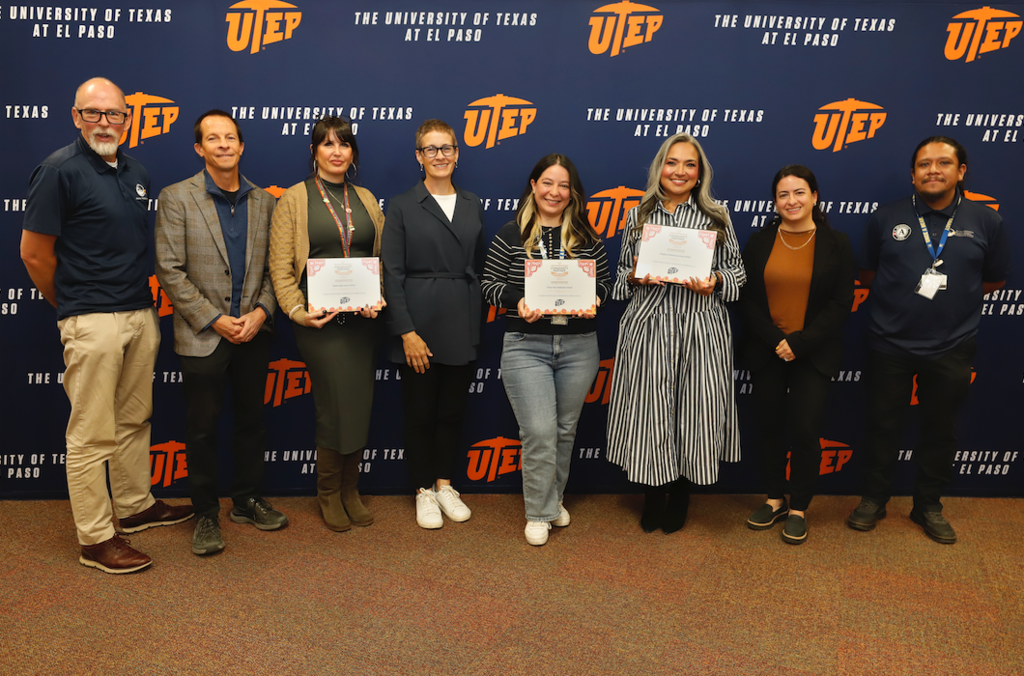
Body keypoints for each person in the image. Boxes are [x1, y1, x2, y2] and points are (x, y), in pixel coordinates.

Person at [20, 77, 193, 574]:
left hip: (140, 312)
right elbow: (34, 254)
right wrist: (75, 306)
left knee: (133, 421)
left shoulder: (136, 169)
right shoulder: (58, 171)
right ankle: (95, 538)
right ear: (76, 117)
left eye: (114, 114)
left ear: (126, 118)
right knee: (91, 434)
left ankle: (136, 506)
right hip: (91, 319)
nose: (104, 122)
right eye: (93, 113)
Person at [848, 136, 1010, 544]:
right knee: (882, 425)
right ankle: (873, 499)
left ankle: (928, 505)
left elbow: (994, 280)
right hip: (889, 344)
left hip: (952, 346)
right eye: (924, 164)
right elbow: (867, 275)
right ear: (913, 173)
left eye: (942, 163)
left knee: (941, 428)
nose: (932, 170)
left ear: (961, 171)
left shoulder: (986, 220)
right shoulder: (887, 218)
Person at [155, 110, 287, 556]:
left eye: (231, 137)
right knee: (202, 428)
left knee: (252, 421)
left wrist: (262, 311)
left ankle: (247, 499)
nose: (224, 145)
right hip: (203, 334)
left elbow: (278, 268)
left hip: (254, 331)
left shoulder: (266, 202)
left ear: (242, 145)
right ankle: (206, 512)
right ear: (199, 148)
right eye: (214, 139)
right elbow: (170, 270)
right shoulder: (177, 198)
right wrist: (213, 318)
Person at [606, 133, 746, 534]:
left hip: (701, 326)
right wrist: (633, 275)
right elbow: (619, 280)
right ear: (659, 168)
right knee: (651, 412)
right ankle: (653, 492)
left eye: (689, 164)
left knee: (694, 411)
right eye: (672, 163)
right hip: (649, 326)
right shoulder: (638, 214)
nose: (680, 171)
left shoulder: (717, 215)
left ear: (700, 172)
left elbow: (738, 274)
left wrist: (715, 280)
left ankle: (682, 492)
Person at [482, 154, 612, 545]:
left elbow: (605, 285)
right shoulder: (511, 234)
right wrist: (517, 301)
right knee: (538, 430)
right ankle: (539, 512)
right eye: (548, 183)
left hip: (578, 346)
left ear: (572, 193)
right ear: (534, 185)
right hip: (526, 345)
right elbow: (488, 285)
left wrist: (596, 300)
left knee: (564, 430)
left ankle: (552, 500)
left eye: (563, 185)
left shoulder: (587, 237)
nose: (555, 192)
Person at [269, 116, 385, 532]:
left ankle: (351, 490)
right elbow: (281, 269)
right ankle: (328, 492)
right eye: (327, 144)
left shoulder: (367, 198)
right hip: (319, 324)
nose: (337, 151)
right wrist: (298, 311)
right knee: (334, 405)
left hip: (363, 324)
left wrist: (377, 299)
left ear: (353, 153)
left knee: (360, 403)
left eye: (344, 144)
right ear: (314, 151)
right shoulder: (294, 200)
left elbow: (380, 260)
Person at [738, 165, 854, 545]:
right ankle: (774, 499)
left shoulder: (838, 243)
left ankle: (800, 506)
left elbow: (841, 303)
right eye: (784, 195)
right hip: (767, 350)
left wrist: (800, 342)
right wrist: (776, 340)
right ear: (775, 202)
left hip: (813, 352)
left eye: (799, 192)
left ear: (815, 197)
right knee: (769, 426)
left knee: (805, 429)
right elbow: (748, 300)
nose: (792, 201)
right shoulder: (758, 242)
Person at [381, 119, 485, 529]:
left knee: (452, 412)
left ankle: (445, 484)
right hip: (418, 322)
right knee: (420, 412)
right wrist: (406, 332)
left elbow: (476, 266)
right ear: (419, 157)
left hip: (461, 317)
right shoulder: (403, 204)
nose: (439, 156)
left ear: (457, 154)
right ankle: (423, 489)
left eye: (447, 148)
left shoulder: (473, 203)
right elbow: (391, 272)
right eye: (431, 149)